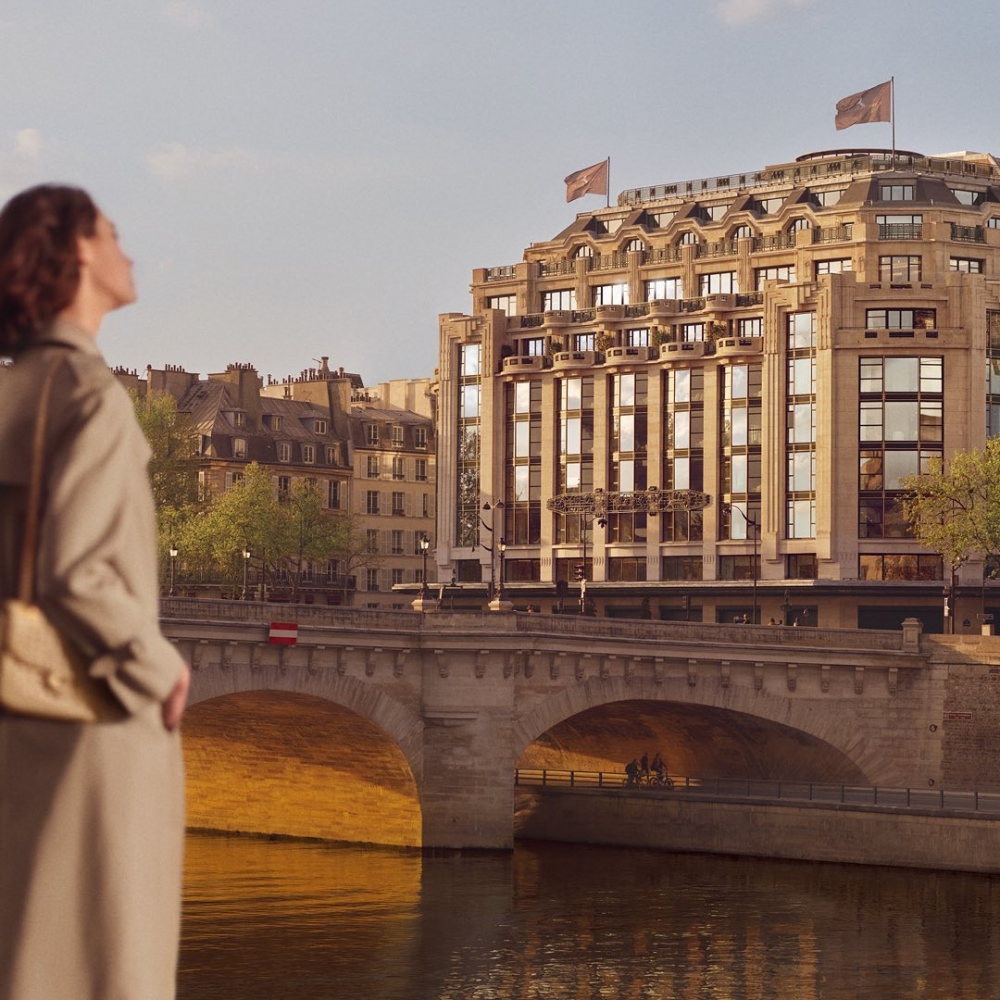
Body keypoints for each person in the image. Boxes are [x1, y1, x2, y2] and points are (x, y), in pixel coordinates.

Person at [0, 185, 190, 999]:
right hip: (89, 718)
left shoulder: (13, 392)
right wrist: (156, 666)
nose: (128, 251)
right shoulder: (92, 396)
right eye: (113, 234)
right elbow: (76, 574)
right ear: (79, 253)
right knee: (108, 955)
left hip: (17, 714)